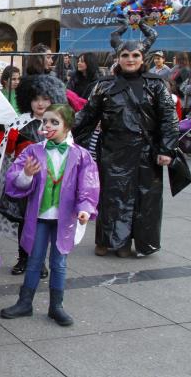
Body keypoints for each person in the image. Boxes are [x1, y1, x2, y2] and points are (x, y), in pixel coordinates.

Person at [74, 39, 178, 257]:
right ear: (118, 58)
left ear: (142, 58)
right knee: (110, 197)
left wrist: (166, 149)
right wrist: (64, 131)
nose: (130, 59)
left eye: (135, 55)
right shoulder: (104, 85)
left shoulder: (156, 84)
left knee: (142, 198)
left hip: (145, 152)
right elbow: (87, 115)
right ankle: (106, 240)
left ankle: (128, 243)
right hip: (112, 150)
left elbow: (168, 118)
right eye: (125, 55)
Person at [1, 104, 99, 326]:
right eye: (45, 121)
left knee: (59, 262)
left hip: (65, 219)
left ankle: (56, 306)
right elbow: (14, 178)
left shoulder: (81, 155)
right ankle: (25, 302)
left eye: (54, 122)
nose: (47, 125)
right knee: (34, 259)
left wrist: (85, 208)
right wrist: (26, 174)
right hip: (39, 217)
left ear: (67, 125)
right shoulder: (33, 151)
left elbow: (88, 185)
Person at [0, 74, 67, 275]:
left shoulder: (58, 124)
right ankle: (23, 259)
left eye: (45, 99)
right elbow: (7, 155)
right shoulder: (19, 123)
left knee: (43, 222)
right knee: (23, 221)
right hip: (24, 181)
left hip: (49, 183)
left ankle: (39, 261)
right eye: (35, 99)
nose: (40, 103)